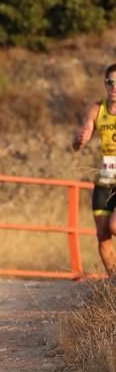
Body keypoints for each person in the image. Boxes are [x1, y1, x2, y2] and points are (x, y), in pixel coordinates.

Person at [72, 63, 116, 276]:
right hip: (105, 178)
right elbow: (78, 141)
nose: (114, 87)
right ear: (105, 84)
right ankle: (114, 282)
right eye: (110, 82)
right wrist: (80, 140)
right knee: (102, 234)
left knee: (115, 226)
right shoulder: (97, 109)